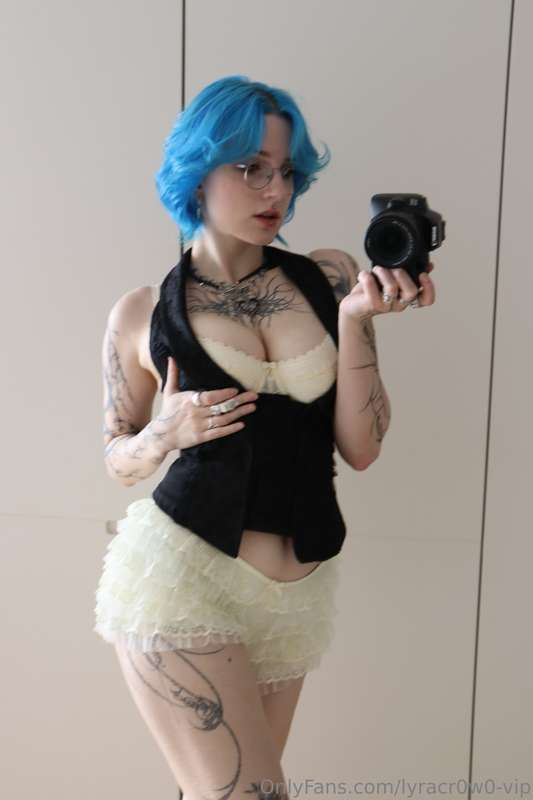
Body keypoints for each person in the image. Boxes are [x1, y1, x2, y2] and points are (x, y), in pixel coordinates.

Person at [94, 75, 436, 799]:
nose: (273, 188)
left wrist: (355, 322)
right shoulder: (141, 312)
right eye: (250, 167)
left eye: (284, 170)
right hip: (183, 584)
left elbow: (362, 448)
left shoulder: (330, 279)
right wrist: (162, 434)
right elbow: (117, 457)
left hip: (294, 599)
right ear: (198, 171)